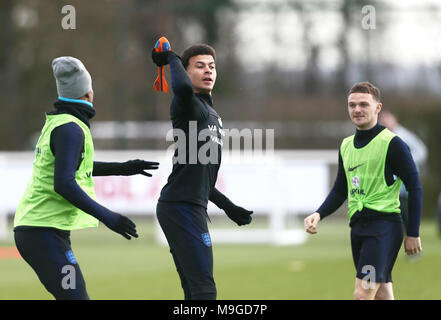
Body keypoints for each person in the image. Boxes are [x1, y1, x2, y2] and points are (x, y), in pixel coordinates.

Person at [13, 56, 159, 300]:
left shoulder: (61, 122)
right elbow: (64, 183)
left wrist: (123, 168)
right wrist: (108, 217)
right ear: (88, 93)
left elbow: (73, 169)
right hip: (41, 231)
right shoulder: (71, 128)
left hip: (41, 230)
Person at [151, 43, 253, 300]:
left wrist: (228, 207)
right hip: (180, 207)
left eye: (212, 66)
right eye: (199, 66)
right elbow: (182, 87)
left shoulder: (210, 114)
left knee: (195, 292)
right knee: (204, 291)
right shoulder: (188, 104)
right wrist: (172, 57)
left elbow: (202, 177)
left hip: (189, 206)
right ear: (186, 72)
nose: (208, 71)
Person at [304, 82, 423, 300]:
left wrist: (413, 232)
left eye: (363, 104)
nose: (357, 109)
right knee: (381, 296)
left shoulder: (393, 143)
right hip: (358, 229)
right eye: (352, 105)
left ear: (377, 107)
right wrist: (318, 213)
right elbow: (341, 189)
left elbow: (415, 187)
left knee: (362, 294)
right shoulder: (346, 145)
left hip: (383, 229)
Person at [379, 110, 427, 234]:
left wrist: (406, 163)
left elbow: (422, 151)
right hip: (388, 182)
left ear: (395, 119)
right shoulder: (381, 136)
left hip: (404, 182)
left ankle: (412, 236)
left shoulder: (404, 135)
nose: (385, 122)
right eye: (382, 120)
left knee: (405, 209)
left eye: (387, 119)